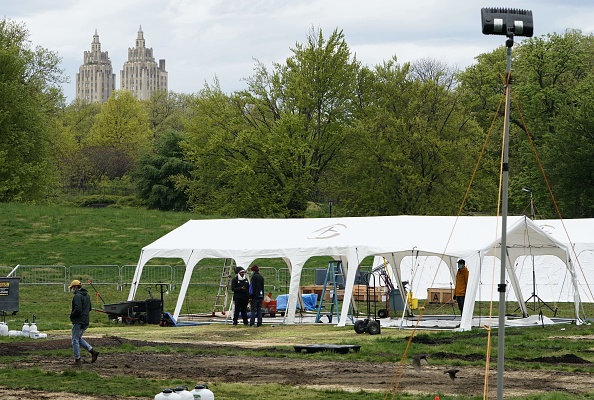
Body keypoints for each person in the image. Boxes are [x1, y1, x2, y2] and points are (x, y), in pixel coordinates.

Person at [68, 279, 99, 366]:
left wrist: (71, 315)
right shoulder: (87, 295)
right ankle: (93, 351)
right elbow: (89, 308)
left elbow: (77, 309)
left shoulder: (77, 296)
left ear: (75, 287)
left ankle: (77, 360)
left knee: (75, 340)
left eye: (72, 288)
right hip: (85, 320)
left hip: (78, 321)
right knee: (78, 338)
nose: (72, 289)